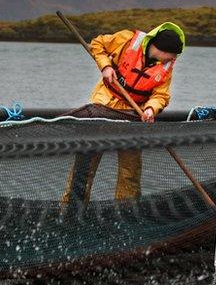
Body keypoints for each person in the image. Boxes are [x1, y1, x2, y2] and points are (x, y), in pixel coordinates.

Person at [62, 22, 186, 203]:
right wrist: (106, 66)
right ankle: (71, 209)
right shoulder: (128, 39)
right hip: (103, 107)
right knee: (86, 164)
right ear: (161, 49)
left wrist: (151, 108)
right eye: (172, 54)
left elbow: (161, 95)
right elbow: (98, 43)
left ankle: (126, 211)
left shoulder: (166, 67)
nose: (173, 58)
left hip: (132, 116)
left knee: (130, 170)